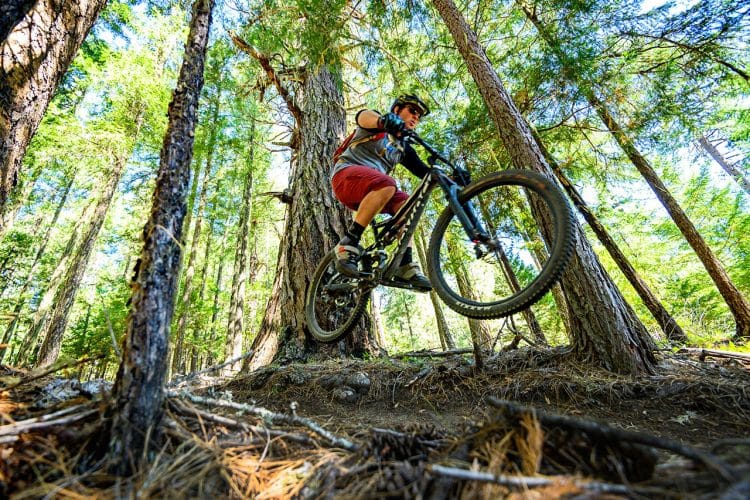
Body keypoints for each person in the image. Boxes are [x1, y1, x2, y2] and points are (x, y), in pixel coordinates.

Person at [330, 93, 432, 291]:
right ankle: (349, 242)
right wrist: (383, 121)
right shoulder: (377, 122)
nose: (415, 117)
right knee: (388, 183)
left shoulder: (403, 147)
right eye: (412, 111)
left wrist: (451, 177)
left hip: (374, 190)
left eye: (419, 116)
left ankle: (405, 264)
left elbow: (424, 171)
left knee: (409, 205)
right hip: (346, 176)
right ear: (396, 110)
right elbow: (362, 116)